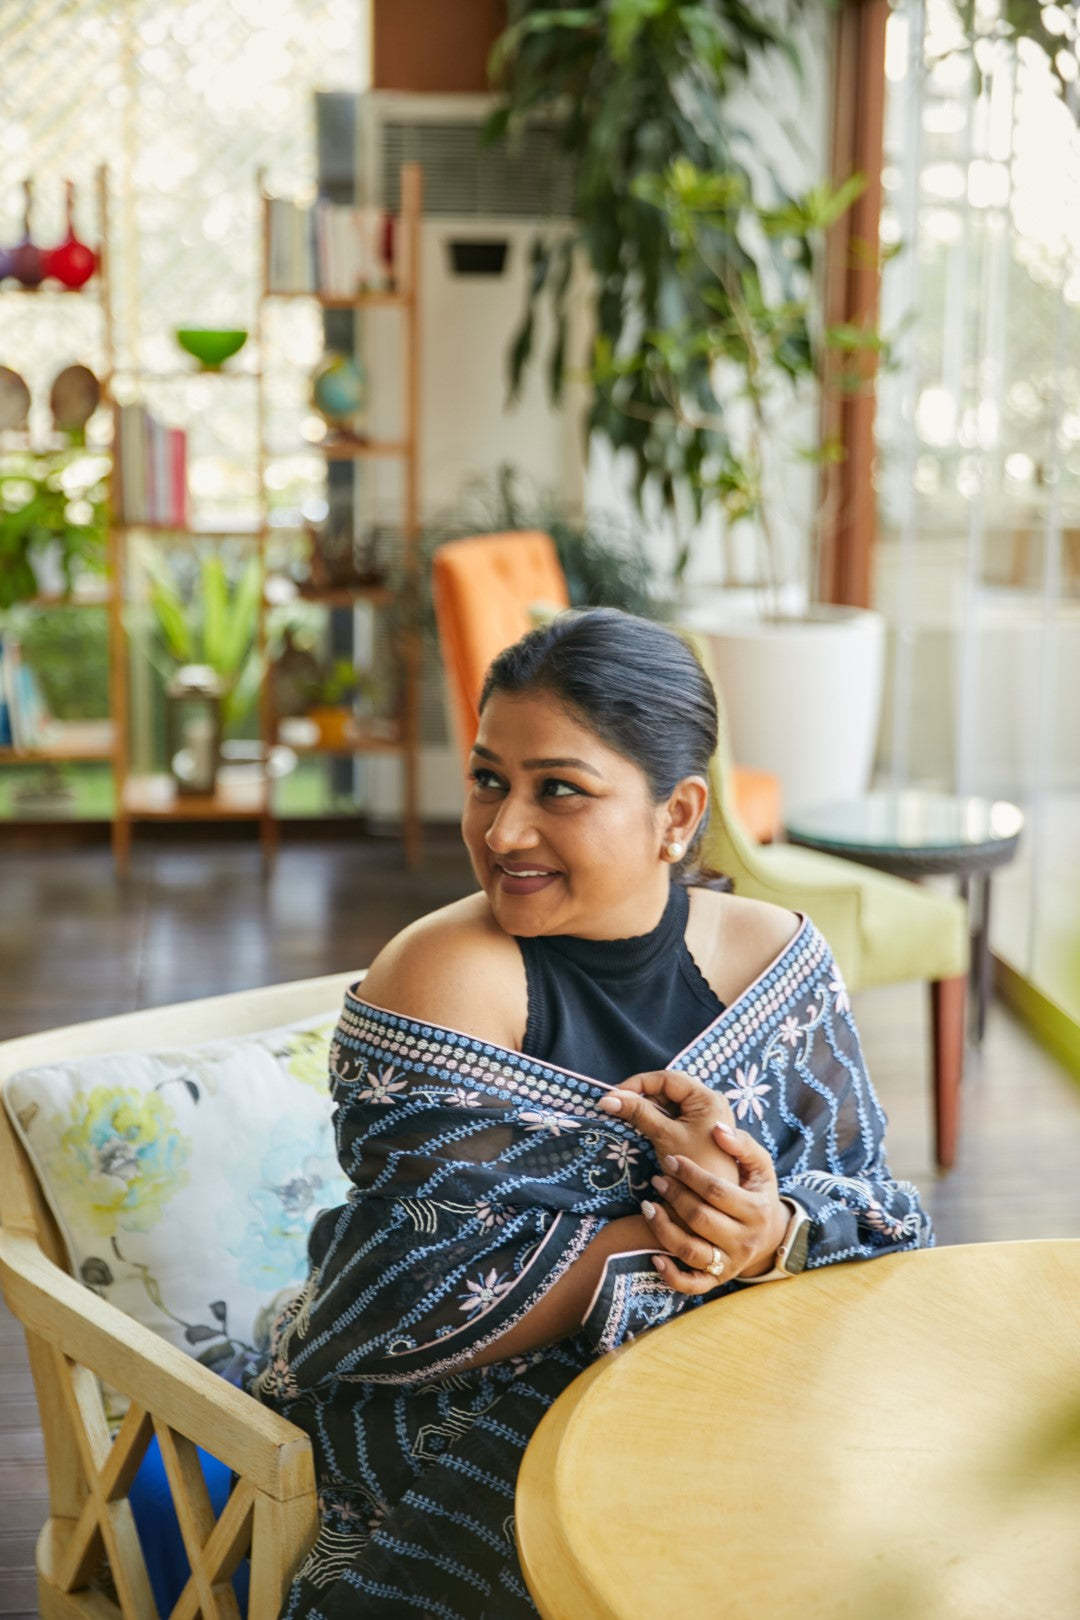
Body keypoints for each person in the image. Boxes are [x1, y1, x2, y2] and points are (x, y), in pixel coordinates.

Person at [251, 608, 932, 1619]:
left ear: (675, 814)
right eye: (489, 779)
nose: (502, 830)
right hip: (456, 1413)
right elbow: (397, 1302)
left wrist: (770, 1232)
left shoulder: (774, 960)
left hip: (739, 1374)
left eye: (558, 790)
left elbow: (878, 1212)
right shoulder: (445, 979)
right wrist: (686, 1232)